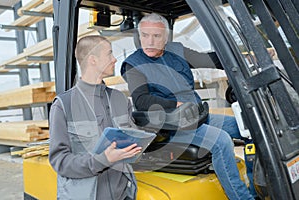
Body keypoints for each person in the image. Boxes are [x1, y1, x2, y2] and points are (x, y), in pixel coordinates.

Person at [121, 13, 255, 200]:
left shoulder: (176, 51)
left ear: (165, 38)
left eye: (156, 36)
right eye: (145, 35)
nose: (149, 41)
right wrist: (174, 104)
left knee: (250, 129)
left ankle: (255, 188)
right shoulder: (134, 64)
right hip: (171, 125)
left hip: (197, 116)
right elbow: (141, 99)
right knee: (221, 140)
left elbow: (209, 59)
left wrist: (242, 59)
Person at [49, 35, 142, 200]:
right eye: (109, 54)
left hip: (123, 195)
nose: (114, 59)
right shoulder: (63, 105)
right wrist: (101, 160)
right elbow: (60, 160)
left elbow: (132, 138)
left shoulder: (120, 99)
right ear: (93, 60)